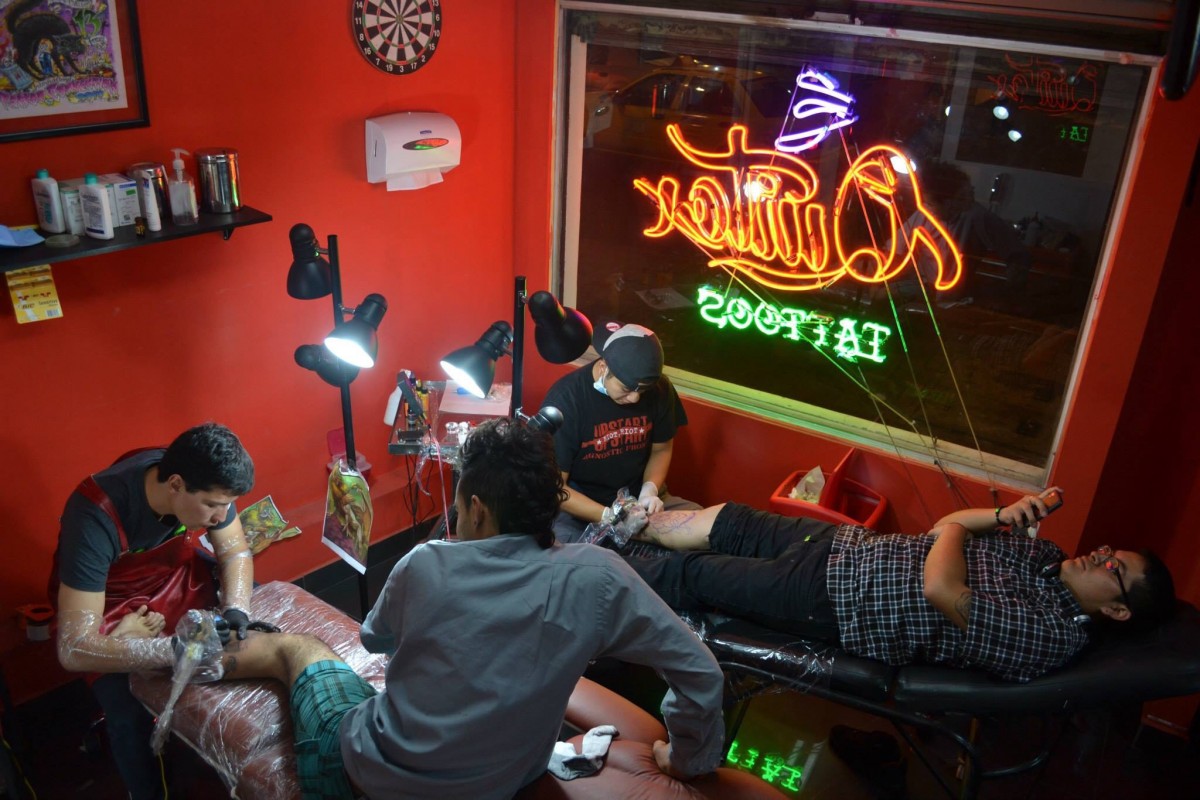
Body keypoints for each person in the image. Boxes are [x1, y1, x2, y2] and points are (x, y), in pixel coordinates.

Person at [168, 417, 725, 799]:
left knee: (300, 649)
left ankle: (184, 654)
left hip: (378, 772)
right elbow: (701, 673)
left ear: (476, 509)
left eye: (458, 501)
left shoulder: (425, 563)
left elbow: (373, 639)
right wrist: (688, 759)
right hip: (505, 781)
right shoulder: (598, 576)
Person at [621, 488, 1176, 683]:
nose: (1102, 555)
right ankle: (618, 525)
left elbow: (940, 588)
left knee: (693, 574)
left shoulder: (1051, 635)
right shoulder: (1046, 557)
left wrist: (962, 530)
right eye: (1111, 552)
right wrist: (1002, 515)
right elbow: (942, 531)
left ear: (1119, 611)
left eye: (1114, 569)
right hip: (846, 546)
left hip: (834, 601)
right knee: (728, 520)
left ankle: (590, 573)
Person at [49, 422, 256, 800]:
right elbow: (73, 647)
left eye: (227, 504)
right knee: (130, 713)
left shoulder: (204, 476)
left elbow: (235, 552)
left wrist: (237, 609)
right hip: (107, 605)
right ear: (175, 485)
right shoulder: (94, 515)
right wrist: (176, 650)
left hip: (175, 582)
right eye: (213, 505)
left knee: (241, 651)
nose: (221, 517)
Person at [543, 320, 700, 543]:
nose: (635, 398)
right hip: (580, 509)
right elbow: (555, 488)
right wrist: (611, 517)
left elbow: (662, 449)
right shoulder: (567, 400)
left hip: (639, 502)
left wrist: (650, 490)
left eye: (643, 391)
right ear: (603, 367)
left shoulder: (660, 389)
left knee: (702, 527)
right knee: (564, 552)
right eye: (626, 388)